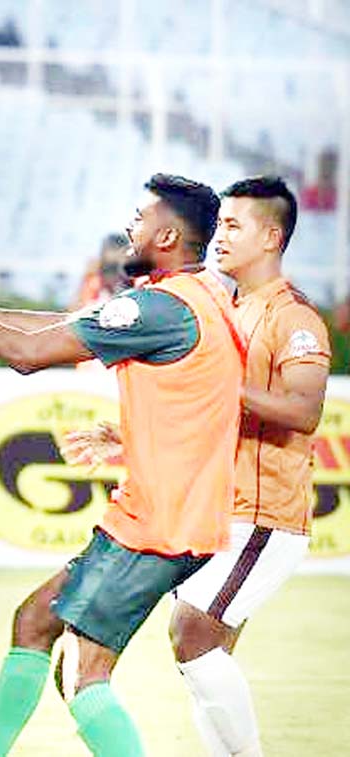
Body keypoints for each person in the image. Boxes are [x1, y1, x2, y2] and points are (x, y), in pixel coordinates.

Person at [0, 174, 244, 757]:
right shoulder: (193, 301)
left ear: (165, 234)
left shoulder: (160, 306)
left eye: (139, 217)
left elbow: (29, 355)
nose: (128, 228)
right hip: (157, 517)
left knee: (82, 675)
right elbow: (53, 332)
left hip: (160, 525)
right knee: (33, 621)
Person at [170, 177, 326, 756]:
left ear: (271, 236)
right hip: (220, 510)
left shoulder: (296, 318)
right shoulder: (230, 309)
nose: (219, 235)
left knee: (191, 635)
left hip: (265, 515)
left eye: (233, 225)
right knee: (207, 653)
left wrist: (224, 386)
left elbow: (305, 410)